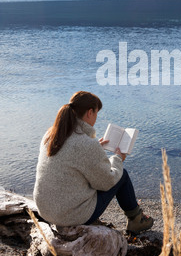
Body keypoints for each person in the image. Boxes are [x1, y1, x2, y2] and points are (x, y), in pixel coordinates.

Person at [33, 91, 153, 234]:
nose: (96, 118)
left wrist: (97, 148)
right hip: (70, 215)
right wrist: (118, 158)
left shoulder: (51, 135)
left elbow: (72, 158)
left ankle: (136, 218)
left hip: (46, 210)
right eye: (96, 113)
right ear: (90, 113)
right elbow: (107, 181)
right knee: (122, 175)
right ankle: (136, 220)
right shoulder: (86, 144)